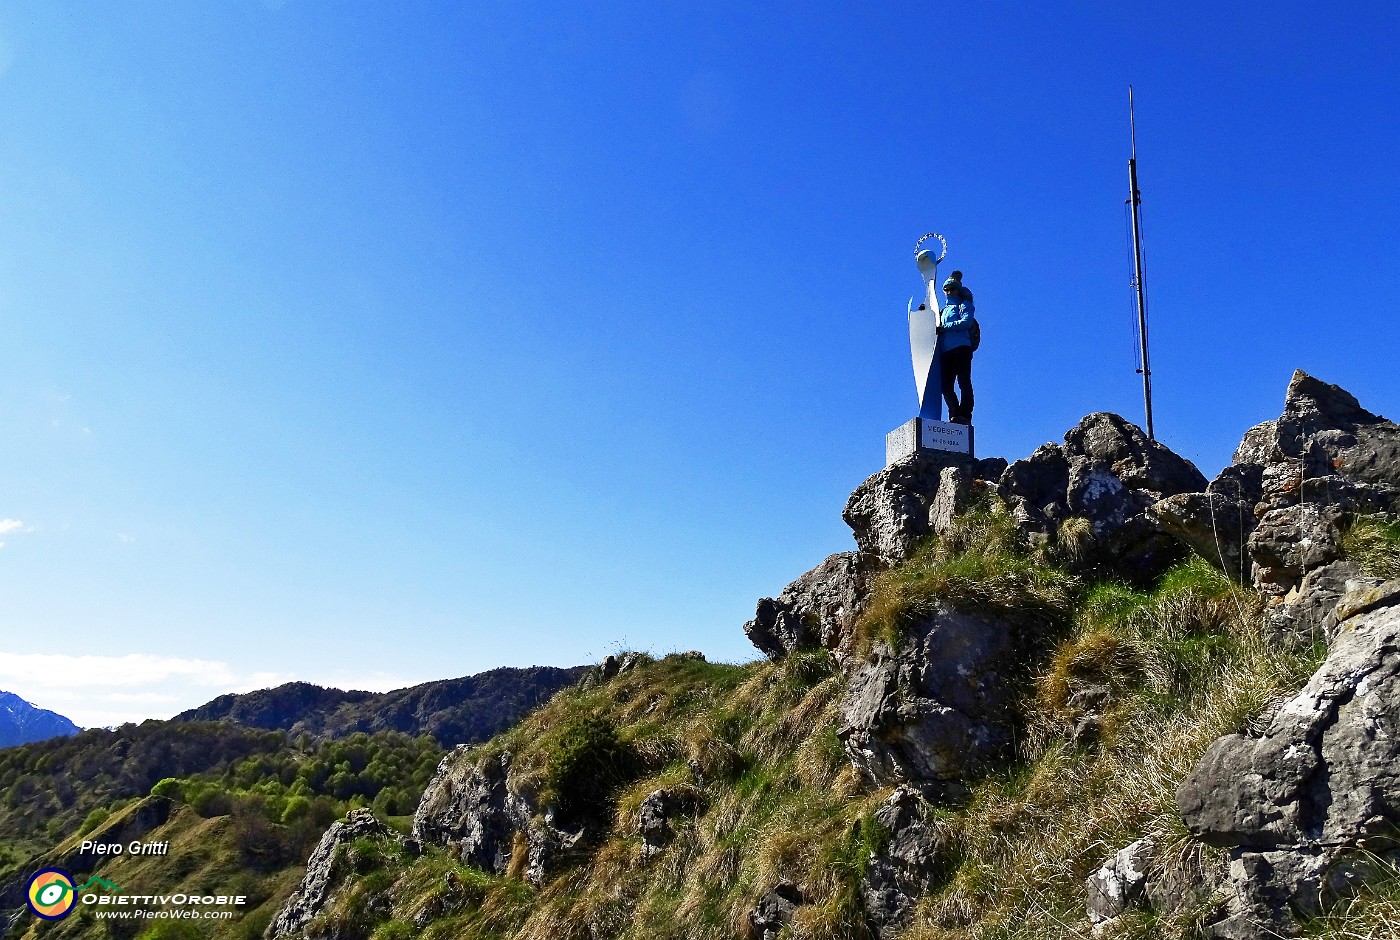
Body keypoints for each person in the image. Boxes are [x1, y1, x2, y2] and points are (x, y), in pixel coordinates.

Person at [936, 270, 975, 424]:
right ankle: (955, 413)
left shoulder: (964, 305)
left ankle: (965, 414)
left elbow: (967, 322)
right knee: (945, 385)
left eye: (952, 289)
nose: (949, 292)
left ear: (958, 290)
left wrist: (946, 326)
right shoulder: (943, 311)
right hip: (947, 351)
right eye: (946, 289)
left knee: (963, 381)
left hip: (962, 348)